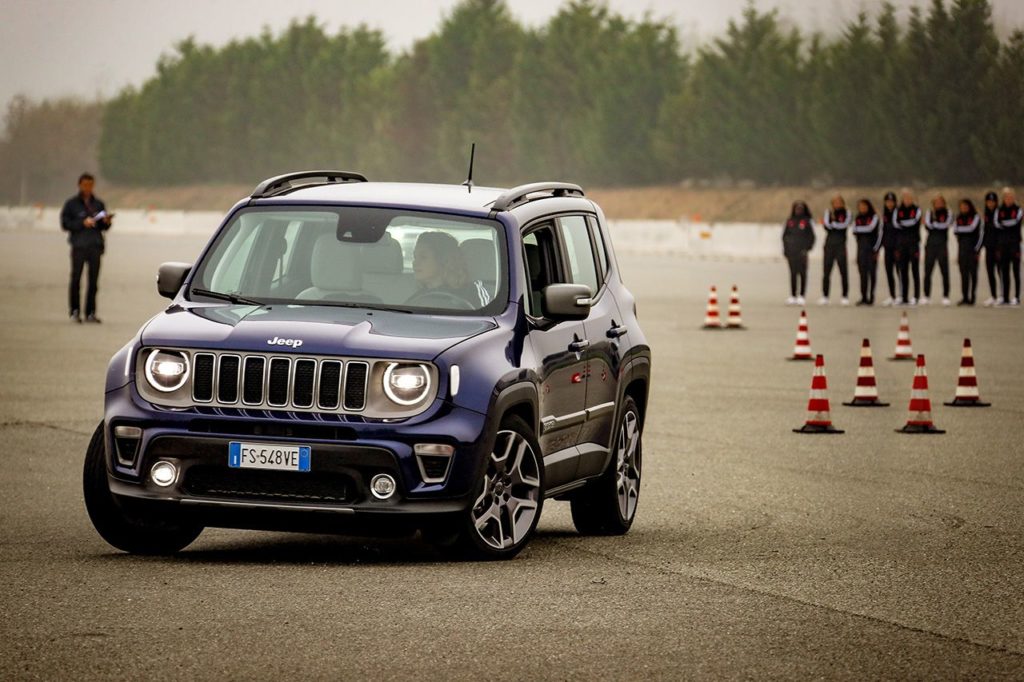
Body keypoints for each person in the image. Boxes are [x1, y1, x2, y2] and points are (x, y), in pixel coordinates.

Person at [61, 173, 112, 323]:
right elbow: (65, 224)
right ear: (79, 185)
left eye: (90, 185)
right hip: (79, 246)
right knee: (76, 279)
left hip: (95, 246)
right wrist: (81, 223)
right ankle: (74, 311)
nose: (88, 188)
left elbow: (104, 227)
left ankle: (90, 313)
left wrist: (107, 222)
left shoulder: (99, 204)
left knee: (93, 281)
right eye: (85, 185)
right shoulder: (71, 204)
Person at [409, 231, 490, 307]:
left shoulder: (472, 292)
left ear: (443, 260)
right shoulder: (417, 298)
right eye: (415, 257)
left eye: (423, 257)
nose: (415, 263)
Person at [892, 189, 922, 306]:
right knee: (902, 270)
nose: (907, 200)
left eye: (909, 198)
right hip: (901, 244)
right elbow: (895, 223)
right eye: (905, 198)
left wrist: (903, 223)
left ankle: (916, 296)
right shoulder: (897, 210)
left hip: (913, 244)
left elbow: (915, 222)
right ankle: (904, 297)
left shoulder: (917, 209)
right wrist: (906, 223)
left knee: (915, 269)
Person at [922, 194, 953, 306]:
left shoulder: (948, 212)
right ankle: (926, 296)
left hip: (942, 245)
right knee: (927, 271)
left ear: (944, 203)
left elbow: (945, 225)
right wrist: (936, 225)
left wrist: (935, 225)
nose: (938, 204)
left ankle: (945, 296)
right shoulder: (929, 213)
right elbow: (928, 225)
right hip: (930, 245)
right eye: (936, 202)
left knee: (944, 271)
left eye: (940, 202)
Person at [820, 194, 851, 305]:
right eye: (835, 202)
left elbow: (844, 225)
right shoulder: (828, 212)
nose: (837, 204)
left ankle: (845, 296)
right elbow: (826, 225)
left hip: (841, 245)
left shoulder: (847, 212)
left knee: (843, 271)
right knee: (826, 271)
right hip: (829, 245)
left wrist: (834, 224)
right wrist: (833, 224)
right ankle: (825, 296)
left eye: (839, 202)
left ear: (842, 203)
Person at [782, 201, 815, 305]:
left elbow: (812, 237)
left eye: (800, 209)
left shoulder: (806, 222)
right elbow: (784, 236)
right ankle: (793, 295)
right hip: (792, 252)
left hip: (802, 252)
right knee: (792, 273)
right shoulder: (790, 221)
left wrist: (807, 248)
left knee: (803, 273)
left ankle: (802, 295)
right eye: (797, 208)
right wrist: (786, 249)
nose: (798, 211)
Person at [994, 187, 1023, 306]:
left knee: (1016, 271)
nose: (1008, 199)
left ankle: (1016, 296)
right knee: (1004, 271)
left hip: (1015, 244)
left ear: (1013, 198)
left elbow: (1015, 222)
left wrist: (1004, 223)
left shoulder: (1018, 209)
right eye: (1006, 197)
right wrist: (1006, 223)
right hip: (1003, 244)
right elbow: (996, 223)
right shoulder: (999, 210)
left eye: (1010, 197)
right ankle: (1005, 297)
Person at [953, 198, 983, 306]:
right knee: (963, 274)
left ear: (969, 206)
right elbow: (955, 231)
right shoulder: (958, 217)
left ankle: (972, 297)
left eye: (965, 206)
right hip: (962, 251)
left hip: (973, 251)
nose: (963, 208)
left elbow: (973, 230)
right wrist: (963, 230)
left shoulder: (975, 217)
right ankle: (965, 297)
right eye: (961, 206)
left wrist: (977, 250)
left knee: (973, 274)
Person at [851, 199, 882, 305]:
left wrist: (876, 250)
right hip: (861, 251)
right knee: (862, 274)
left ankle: (871, 297)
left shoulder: (874, 217)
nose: (862, 208)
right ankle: (863, 296)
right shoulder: (858, 218)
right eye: (860, 206)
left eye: (864, 206)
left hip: (871, 251)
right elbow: (854, 232)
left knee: (872, 274)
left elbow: (872, 230)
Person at [981, 191, 1001, 306]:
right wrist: (979, 248)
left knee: (1000, 272)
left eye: (993, 201)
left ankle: (1002, 295)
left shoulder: (999, 213)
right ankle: (993, 296)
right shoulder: (986, 214)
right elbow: (984, 232)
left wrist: (1000, 247)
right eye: (988, 201)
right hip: (989, 247)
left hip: (998, 248)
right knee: (990, 272)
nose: (991, 204)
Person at [880, 191, 899, 306]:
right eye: (887, 201)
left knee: (900, 272)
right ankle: (892, 295)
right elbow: (882, 232)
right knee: (889, 272)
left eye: (892, 201)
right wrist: (878, 248)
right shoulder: (885, 215)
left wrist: (899, 247)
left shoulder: (899, 213)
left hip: (898, 248)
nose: (889, 204)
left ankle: (902, 296)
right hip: (888, 248)